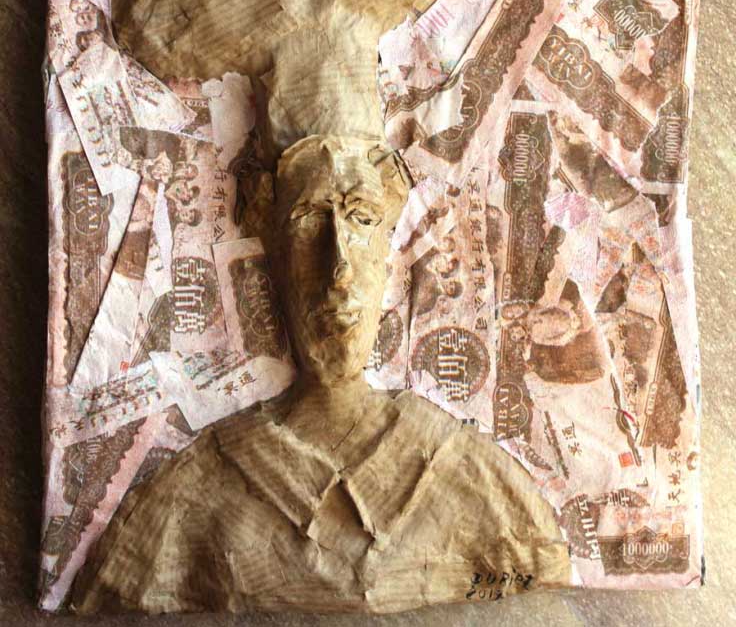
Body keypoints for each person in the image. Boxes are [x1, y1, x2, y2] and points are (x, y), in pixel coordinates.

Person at [73, 134, 571, 613]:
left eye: (362, 219)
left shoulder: (483, 484)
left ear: (387, 256)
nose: (339, 267)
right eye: (309, 221)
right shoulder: (188, 495)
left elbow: (543, 588)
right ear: (271, 250)